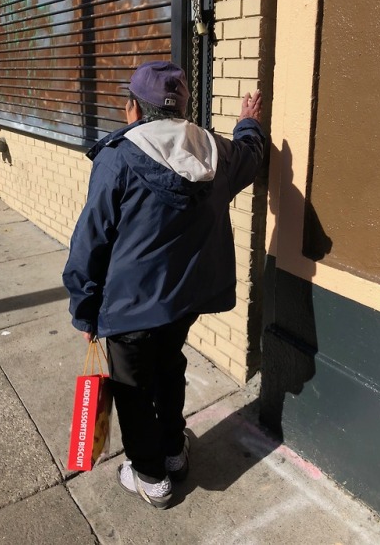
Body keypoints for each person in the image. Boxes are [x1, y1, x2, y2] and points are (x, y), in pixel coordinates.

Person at [63, 60, 264, 509]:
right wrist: (249, 122)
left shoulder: (118, 158)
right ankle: (173, 451)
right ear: (182, 107)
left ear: (132, 108)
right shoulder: (214, 152)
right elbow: (251, 157)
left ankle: (151, 477)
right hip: (183, 303)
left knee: (133, 392)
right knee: (170, 367)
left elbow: (90, 240)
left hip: (130, 309)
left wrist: (84, 307)